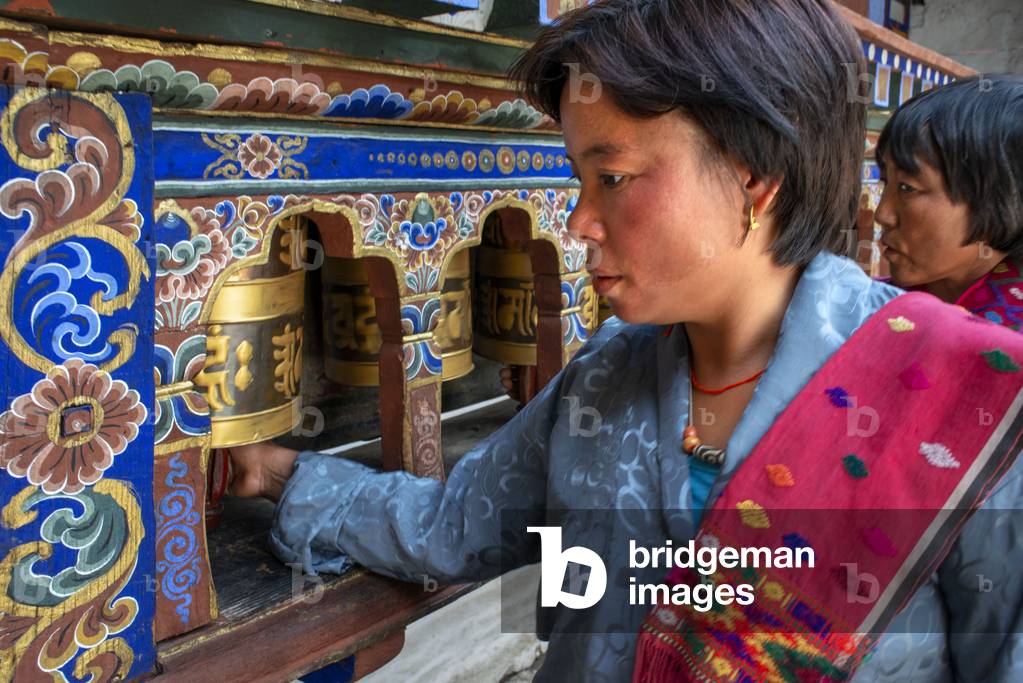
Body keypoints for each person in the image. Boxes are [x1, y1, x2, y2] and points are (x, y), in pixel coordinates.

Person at [229, 2, 1023, 681]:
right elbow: (451, 525)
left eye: (610, 177)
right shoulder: (602, 381)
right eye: (577, 181)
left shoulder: (967, 398)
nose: (577, 221)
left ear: (752, 175)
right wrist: (286, 473)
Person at [875, 75, 1023, 328]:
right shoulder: (871, 305)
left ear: (998, 202)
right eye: (885, 182)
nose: (883, 214)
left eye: (907, 188)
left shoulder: (1012, 350)